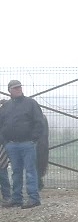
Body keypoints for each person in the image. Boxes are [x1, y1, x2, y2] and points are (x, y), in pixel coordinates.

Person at [0, 80, 46, 209]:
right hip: (11, 145)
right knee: (16, 172)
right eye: (15, 88)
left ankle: (33, 198)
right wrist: (4, 140)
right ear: (10, 90)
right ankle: (16, 199)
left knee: (30, 171)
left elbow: (39, 122)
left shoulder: (31, 104)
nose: (18, 89)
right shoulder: (6, 107)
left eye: (19, 87)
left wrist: (33, 139)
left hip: (28, 144)